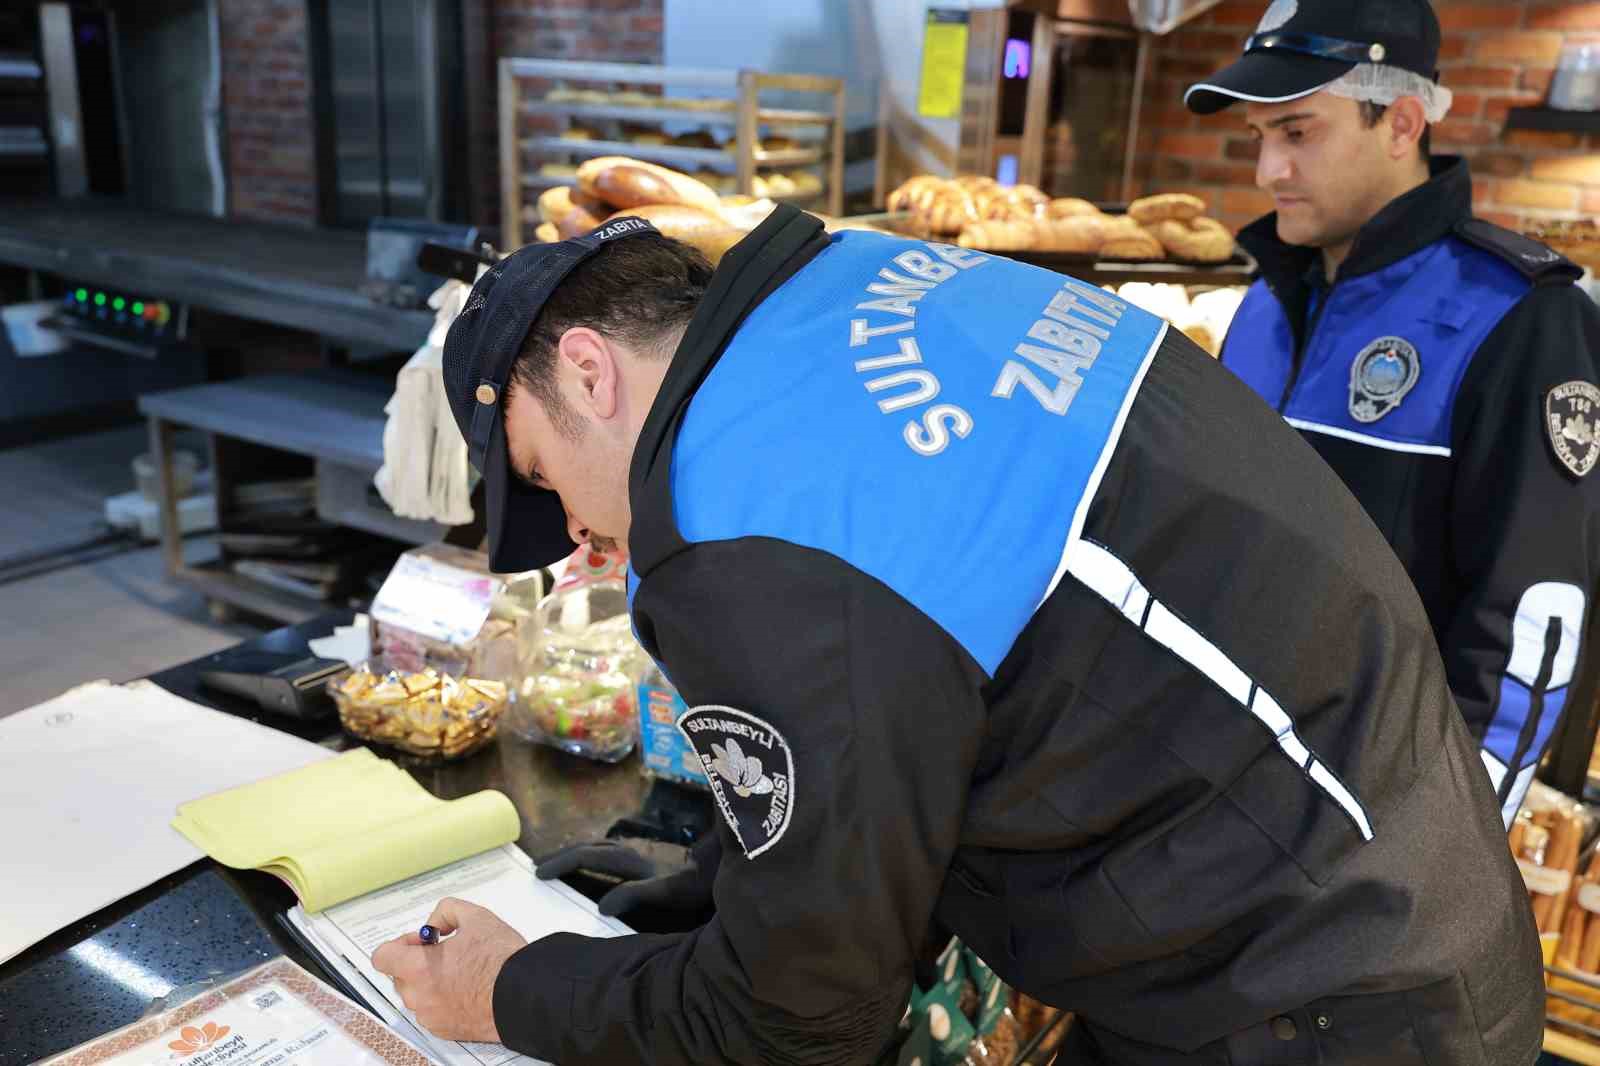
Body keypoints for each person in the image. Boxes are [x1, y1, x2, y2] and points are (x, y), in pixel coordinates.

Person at [370, 206, 1542, 1064]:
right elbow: (919, 716)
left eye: (544, 472)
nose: (576, 529)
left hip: (1318, 1001)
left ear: (590, 370)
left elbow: (798, 1022)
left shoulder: (751, 520)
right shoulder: (864, 295)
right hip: (1388, 909)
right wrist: (711, 898)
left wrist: (511, 988)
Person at [1186, 0, 1600, 825]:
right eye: (1260, 137)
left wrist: (1450, 847)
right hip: (1217, 795)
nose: (1268, 171)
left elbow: (1532, 624)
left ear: (1403, 122)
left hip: (1379, 823)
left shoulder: (1519, 318)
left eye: (1298, 133)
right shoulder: (1266, 304)